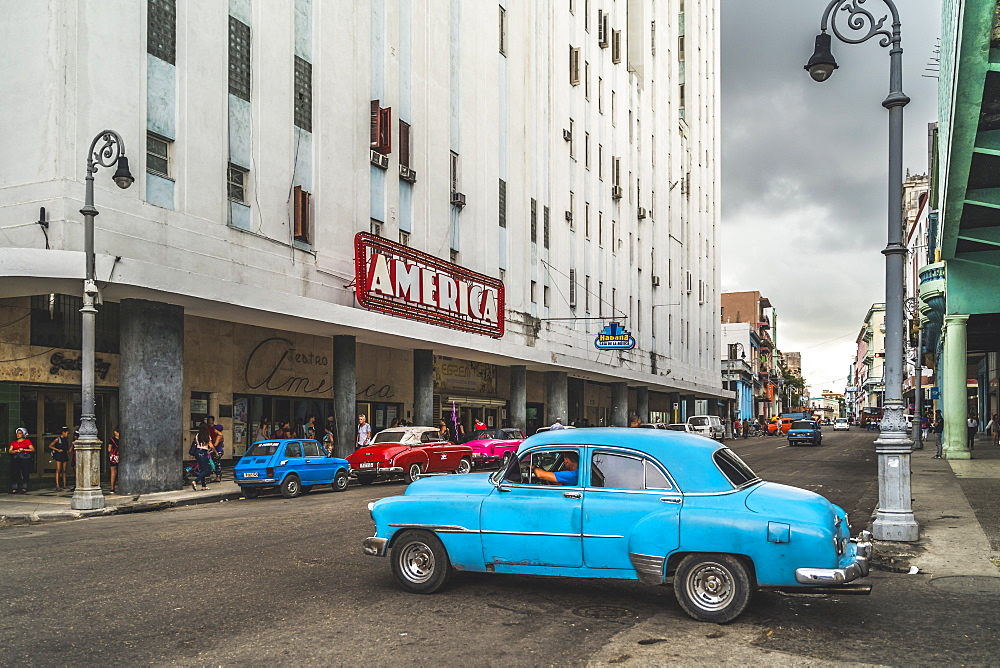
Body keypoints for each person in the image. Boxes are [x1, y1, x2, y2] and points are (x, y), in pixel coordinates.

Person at [8, 427, 34, 494]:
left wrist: (24, 449)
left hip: (25, 458)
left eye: (20, 433)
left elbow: (32, 449)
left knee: (25, 473)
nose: (18, 435)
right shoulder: (13, 442)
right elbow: (10, 451)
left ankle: (24, 488)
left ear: (23, 434)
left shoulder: (27, 441)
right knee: (15, 473)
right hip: (16, 458)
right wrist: (16, 450)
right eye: (17, 433)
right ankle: (14, 488)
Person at [190, 426, 216, 491]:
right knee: (206, 470)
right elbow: (211, 446)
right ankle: (195, 481)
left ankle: (203, 486)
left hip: (197, 452)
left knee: (202, 470)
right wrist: (215, 451)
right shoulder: (207, 436)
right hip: (203, 453)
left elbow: (195, 444)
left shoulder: (197, 435)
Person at [49, 426, 71, 491]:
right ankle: (57, 485)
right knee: (58, 470)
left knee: (64, 470)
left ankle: (64, 484)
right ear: (63, 432)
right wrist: (57, 450)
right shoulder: (58, 439)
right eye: (67, 433)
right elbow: (50, 445)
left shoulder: (66, 439)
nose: (68, 434)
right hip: (59, 455)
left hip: (64, 454)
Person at [106, 427, 120, 493]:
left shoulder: (112, 439)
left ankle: (112, 487)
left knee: (113, 471)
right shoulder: (124, 439)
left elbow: (109, 449)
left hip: (113, 457)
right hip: (121, 456)